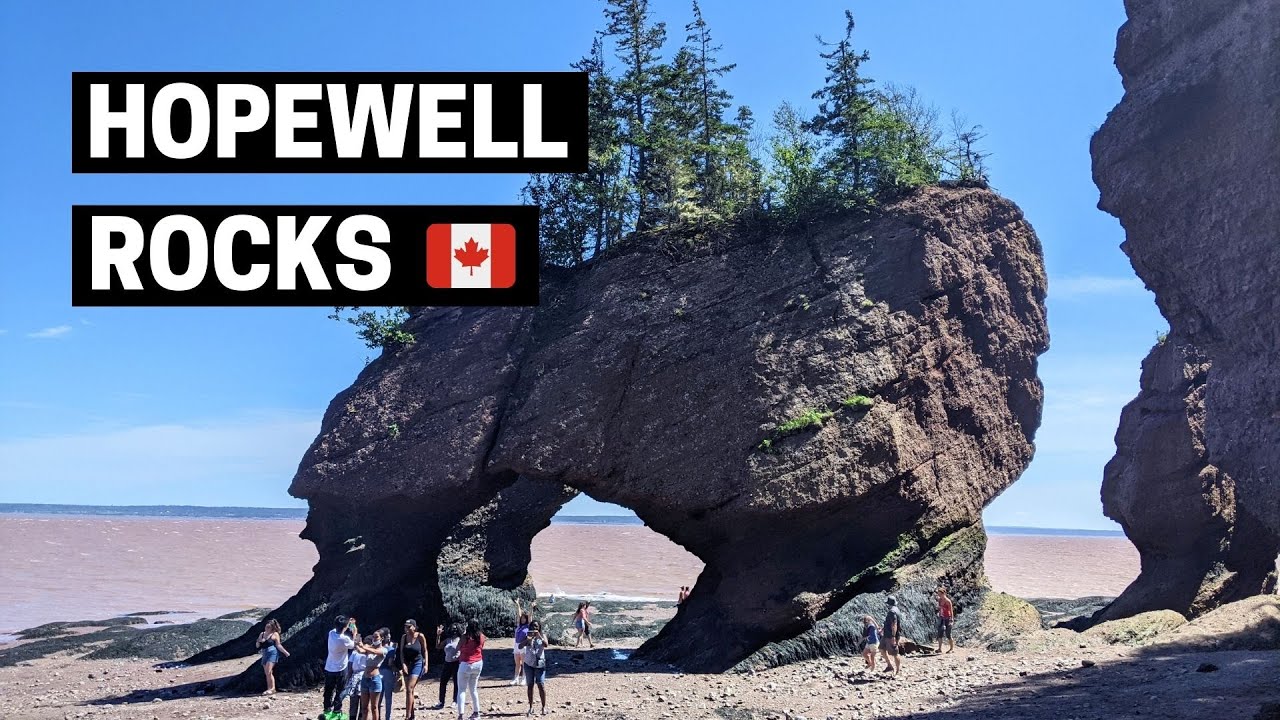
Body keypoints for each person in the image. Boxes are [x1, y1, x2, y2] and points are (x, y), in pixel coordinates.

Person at [324, 615, 358, 717]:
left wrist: (348, 624)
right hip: (341, 668)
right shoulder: (344, 639)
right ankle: (337, 711)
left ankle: (327, 710)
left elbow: (338, 628)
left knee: (329, 690)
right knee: (340, 690)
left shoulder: (331, 634)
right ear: (345, 627)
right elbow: (354, 644)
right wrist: (354, 631)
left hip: (329, 667)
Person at [456, 619, 486, 720]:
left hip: (465, 663)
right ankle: (476, 713)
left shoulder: (465, 637)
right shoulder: (481, 636)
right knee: (473, 689)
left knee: (461, 690)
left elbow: (458, 647)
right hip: (478, 663)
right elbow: (481, 647)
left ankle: (461, 715)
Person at [519, 620, 548, 716]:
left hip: (540, 663)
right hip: (529, 663)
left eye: (536, 627)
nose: (535, 628)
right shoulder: (528, 636)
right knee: (530, 685)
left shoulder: (542, 636)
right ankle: (531, 707)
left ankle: (544, 707)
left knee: (541, 684)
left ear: (539, 627)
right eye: (533, 627)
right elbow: (520, 646)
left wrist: (539, 636)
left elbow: (546, 645)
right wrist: (528, 639)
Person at [400, 619, 428, 720]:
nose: (406, 628)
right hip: (407, 664)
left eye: (409, 626)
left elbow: (425, 650)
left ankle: (407, 717)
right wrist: (403, 664)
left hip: (418, 663)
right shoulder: (404, 637)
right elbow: (401, 652)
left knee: (410, 688)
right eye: (405, 626)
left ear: (414, 627)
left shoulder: (420, 636)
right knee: (409, 691)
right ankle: (412, 715)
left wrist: (426, 664)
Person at [358, 633, 389, 720]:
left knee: (374, 707)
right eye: (373, 637)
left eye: (376, 637)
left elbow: (375, 652)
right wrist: (357, 643)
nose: (374, 639)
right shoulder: (369, 648)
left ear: (382, 638)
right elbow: (360, 651)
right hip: (365, 678)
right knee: (364, 707)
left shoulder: (383, 650)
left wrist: (364, 646)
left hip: (374, 679)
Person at [256, 618, 290, 695]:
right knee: (268, 672)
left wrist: (285, 652)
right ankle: (270, 688)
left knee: (268, 671)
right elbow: (257, 646)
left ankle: (272, 688)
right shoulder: (262, 634)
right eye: (266, 626)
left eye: (269, 627)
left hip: (272, 653)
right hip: (264, 653)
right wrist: (259, 641)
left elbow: (278, 645)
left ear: (272, 628)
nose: (267, 628)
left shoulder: (275, 634)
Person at [433, 622, 461, 712]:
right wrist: (438, 635)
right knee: (443, 682)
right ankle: (441, 702)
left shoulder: (460, 639)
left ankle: (455, 701)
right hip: (447, 663)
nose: (454, 630)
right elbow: (438, 646)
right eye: (453, 629)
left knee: (456, 683)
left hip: (456, 663)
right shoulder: (447, 640)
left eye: (456, 629)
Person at [879, 597, 903, 677]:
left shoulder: (892, 612)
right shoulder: (896, 610)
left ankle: (898, 670)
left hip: (891, 635)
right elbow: (890, 623)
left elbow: (894, 624)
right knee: (881, 648)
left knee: (895, 653)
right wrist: (883, 628)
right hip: (886, 634)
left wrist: (893, 636)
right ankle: (890, 665)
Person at [378, 628, 398, 720]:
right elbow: (390, 663)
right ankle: (387, 717)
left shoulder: (377, 648)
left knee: (378, 697)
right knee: (388, 698)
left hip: (377, 672)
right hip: (388, 673)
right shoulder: (391, 649)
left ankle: (377, 717)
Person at [512, 599, 532, 686]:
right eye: (522, 618)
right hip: (516, 645)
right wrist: (518, 605)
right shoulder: (519, 626)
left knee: (524, 663)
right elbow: (518, 615)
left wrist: (531, 607)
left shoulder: (528, 626)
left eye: (524, 618)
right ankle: (516, 679)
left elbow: (530, 616)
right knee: (517, 663)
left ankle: (524, 679)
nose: (523, 619)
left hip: (523, 645)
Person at [936, 587, 955, 654]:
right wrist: (939, 612)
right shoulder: (940, 600)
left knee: (948, 634)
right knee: (940, 633)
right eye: (938, 594)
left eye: (940, 594)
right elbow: (939, 608)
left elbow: (951, 611)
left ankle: (952, 648)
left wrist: (952, 619)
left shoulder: (948, 601)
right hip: (941, 617)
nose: (939, 596)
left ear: (944, 593)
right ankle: (939, 648)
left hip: (948, 618)